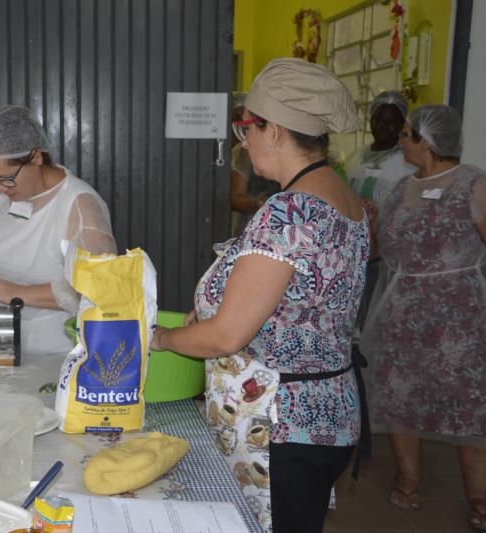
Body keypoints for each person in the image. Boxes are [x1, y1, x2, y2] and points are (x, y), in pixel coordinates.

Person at [151, 58, 369, 532]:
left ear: (273, 130)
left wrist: (163, 339)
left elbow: (228, 335)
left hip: (279, 424)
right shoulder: (343, 198)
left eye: (245, 127)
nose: (242, 141)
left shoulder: (288, 211)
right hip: (328, 410)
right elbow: (299, 306)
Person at [359, 105, 486, 530]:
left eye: (407, 134)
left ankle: (481, 499)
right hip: (400, 314)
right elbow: (380, 255)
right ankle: (408, 480)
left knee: (468, 404)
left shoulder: (473, 184)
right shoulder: (398, 190)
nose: (401, 140)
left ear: (427, 142)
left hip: (460, 322)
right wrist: (371, 226)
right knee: (401, 397)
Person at [0, 105, 116, 355]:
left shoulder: (79, 205)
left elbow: (98, 288)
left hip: (57, 351)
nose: (0, 189)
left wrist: (18, 293)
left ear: (35, 156)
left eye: (6, 178)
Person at [344, 91, 417, 329]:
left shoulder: (408, 162)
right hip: (355, 248)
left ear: (402, 124)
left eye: (392, 121)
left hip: (389, 252)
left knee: (379, 316)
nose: (384, 126)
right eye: (378, 119)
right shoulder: (355, 159)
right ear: (370, 120)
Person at [230, 92, 281, 235]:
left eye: (244, 120)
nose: (238, 125)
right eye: (235, 119)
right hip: (254, 229)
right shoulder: (244, 150)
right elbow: (235, 198)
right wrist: (259, 203)